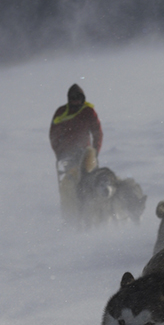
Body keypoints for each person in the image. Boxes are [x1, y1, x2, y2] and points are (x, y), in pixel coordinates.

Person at [49, 84, 104, 222]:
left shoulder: (88, 111)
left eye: (78, 98)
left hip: (85, 154)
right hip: (67, 155)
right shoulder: (61, 112)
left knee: (89, 181)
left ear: (82, 98)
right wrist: (59, 153)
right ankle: (73, 214)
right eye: (72, 98)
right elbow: (53, 135)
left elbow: (97, 132)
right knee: (71, 184)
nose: (75, 101)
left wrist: (95, 151)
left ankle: (93, 211)